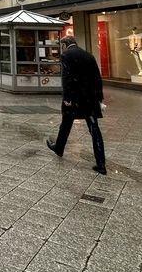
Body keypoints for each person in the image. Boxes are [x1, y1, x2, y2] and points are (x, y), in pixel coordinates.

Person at [46, 35, 107, 174]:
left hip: (75, 98)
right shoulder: (88, 55)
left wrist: (67, 98)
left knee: (66, 123)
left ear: (64, 45)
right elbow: (97, 78)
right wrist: (99, 97)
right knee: (94, 129)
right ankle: (101, 163)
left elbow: (67, 78)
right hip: (90, 99)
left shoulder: (66, 55)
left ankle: (59, 148)